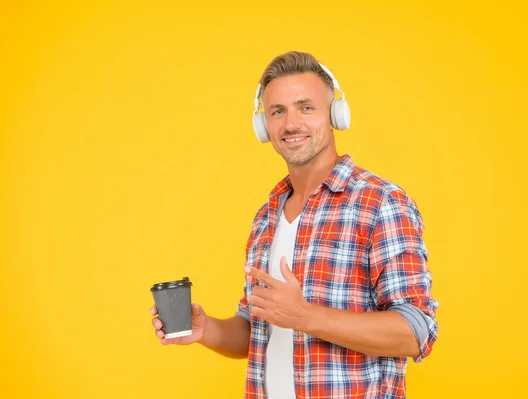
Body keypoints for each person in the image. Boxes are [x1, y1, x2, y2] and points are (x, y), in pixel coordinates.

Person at [151, 51, 439, 398]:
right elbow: (257, 328)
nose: (290, 124)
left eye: (306, 107)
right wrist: (207, 329)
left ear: (334, 115)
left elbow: (415, 331)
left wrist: (305, 317)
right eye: (277, 111)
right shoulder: (266, 216)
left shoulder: (380, 203)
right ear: (264, 125)